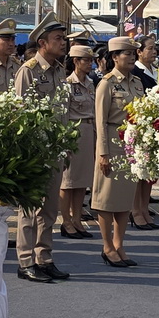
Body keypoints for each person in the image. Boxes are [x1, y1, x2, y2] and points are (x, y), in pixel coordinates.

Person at [10, 16, 72, 284]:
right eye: (58, 39)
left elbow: (64, 112)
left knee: (49, 209)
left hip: (55, 148)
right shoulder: (29, 70)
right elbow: (21, 114)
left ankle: (44, 258)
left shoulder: (59, 70)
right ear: (43, 43)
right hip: (35, 150)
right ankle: (25, 260)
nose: (64, 43)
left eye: (64, 38)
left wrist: (66, 146)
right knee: (29, 209)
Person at [92, 36, 145, 267]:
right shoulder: (107, 83)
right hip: (112, 142)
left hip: (131, 144)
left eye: (134, 53)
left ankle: (119, 244)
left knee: (124, 199)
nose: (132, 57)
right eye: (127, 53)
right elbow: (100, 121)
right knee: (107, 199)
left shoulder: (137, 83)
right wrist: (103, 152)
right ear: (114, 57)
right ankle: (107, 246)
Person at [59, 44, 97, 238]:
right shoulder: (67, 84)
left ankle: (76, 219)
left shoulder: (91, 84)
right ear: (75, 61)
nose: (90, 64)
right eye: (86, 60)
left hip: (88, 131)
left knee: (82, 180)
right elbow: (64, 113)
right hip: (72, 132)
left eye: (91, 60)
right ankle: (65, 220)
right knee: (68, 181)